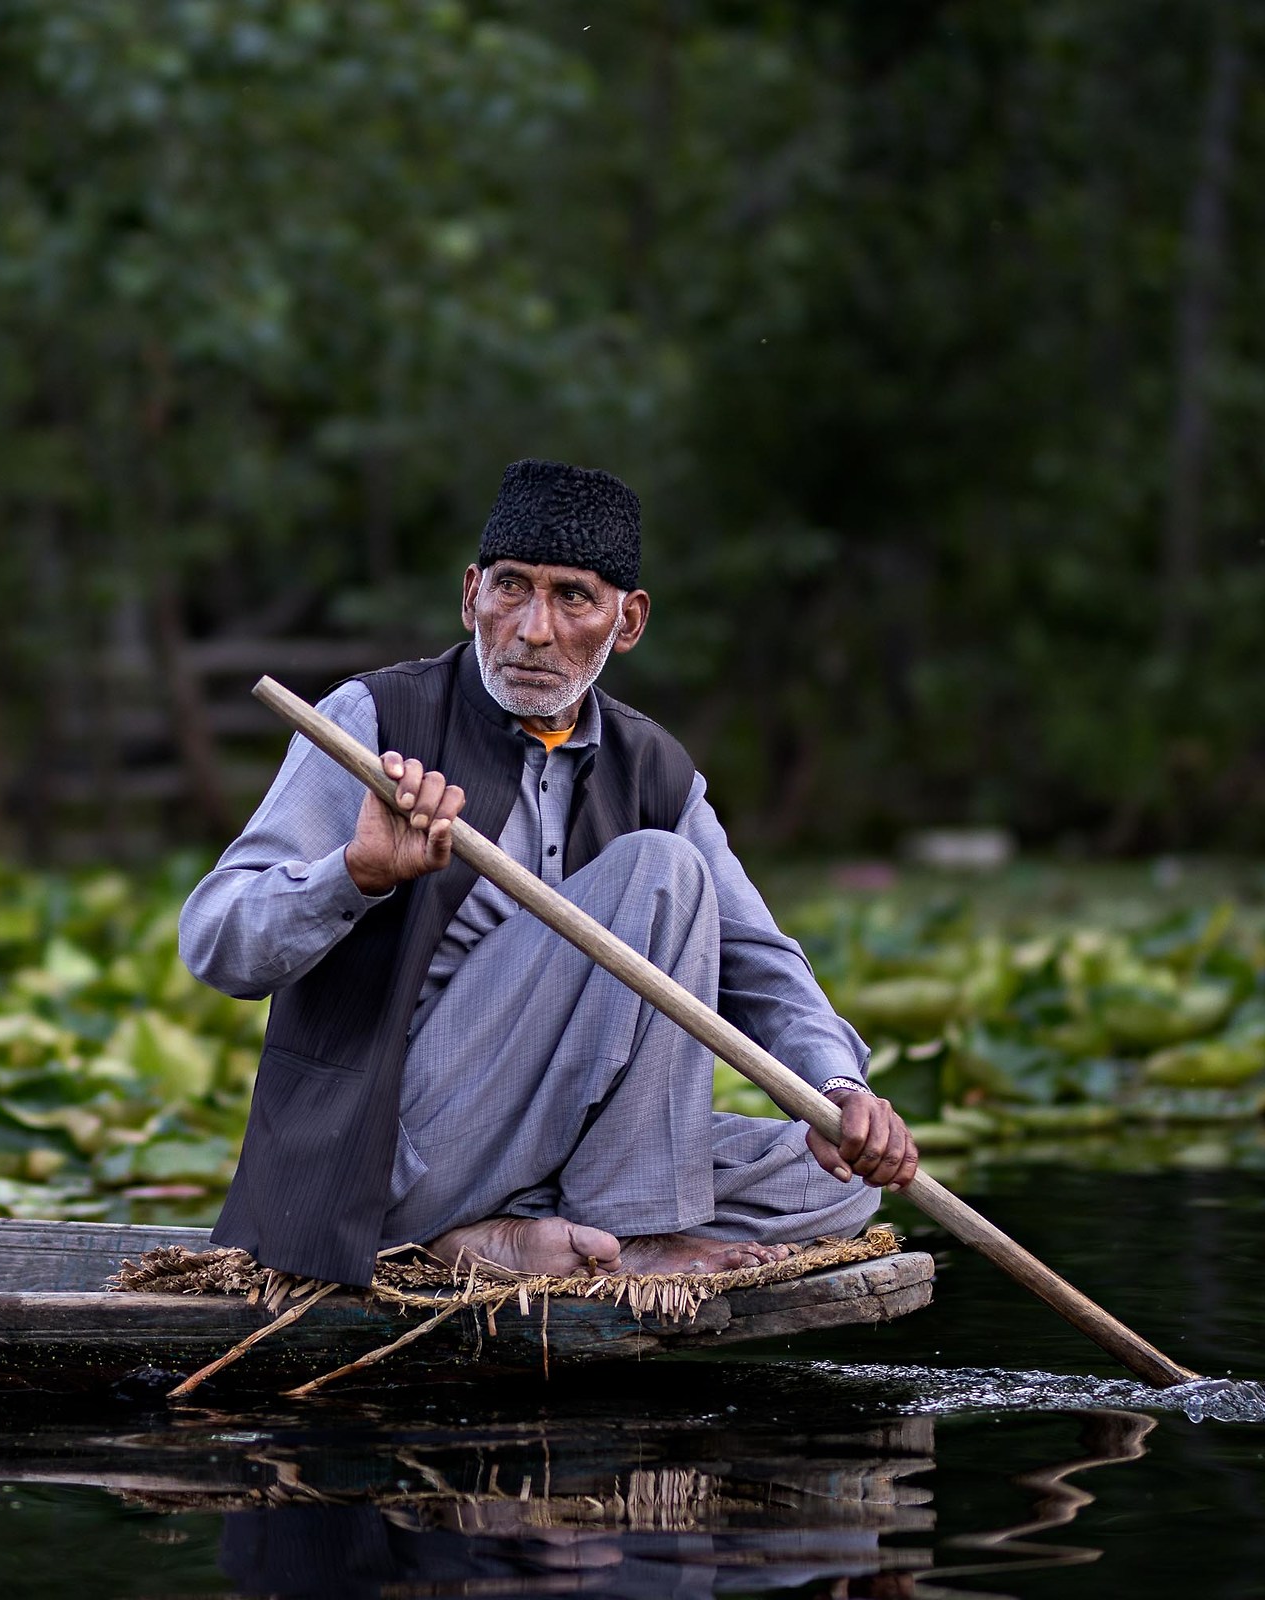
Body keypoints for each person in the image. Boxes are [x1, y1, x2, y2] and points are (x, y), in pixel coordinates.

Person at [180, 459, 919, 1288]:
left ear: (627, 621)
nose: (534, 629)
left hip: (556, 1140)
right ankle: (622, 1232)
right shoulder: (376, 720)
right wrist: (354, 874)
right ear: (471, 597)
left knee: (834, 1180)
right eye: (511, 590)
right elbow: (218, 943)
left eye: (573, 598)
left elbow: (760, 961)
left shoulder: (654, 769)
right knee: (659, 874)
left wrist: (839, 1088)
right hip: (390, 1154)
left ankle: (513, 1229)